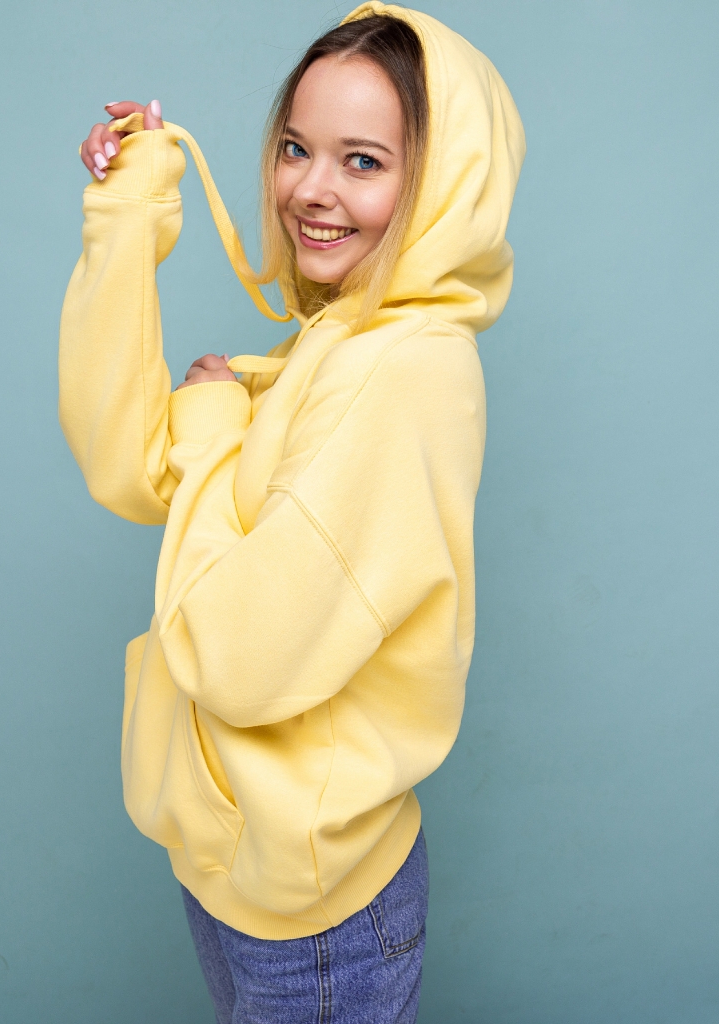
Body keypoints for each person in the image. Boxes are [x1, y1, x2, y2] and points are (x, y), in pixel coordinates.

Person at [59, 2, 524, 1020]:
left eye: (362, 161)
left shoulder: (401, 375)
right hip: (243, 870)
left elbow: (236, 658)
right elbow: (128, 467)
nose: (310, 190)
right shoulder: (337, 346)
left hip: (314, 911)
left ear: (441, 184)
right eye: (293, 148)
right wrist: (128, 217)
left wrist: (217, 413)